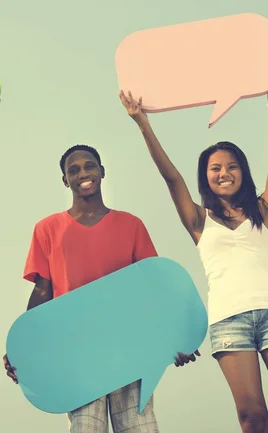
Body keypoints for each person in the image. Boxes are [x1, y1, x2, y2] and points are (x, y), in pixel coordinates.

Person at [119, 64, 268, 433]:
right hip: (229, 322)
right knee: (254, 419)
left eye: (231, 166)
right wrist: (143, 124)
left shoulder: (263, 211)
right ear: (206, 176)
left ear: (242, 171)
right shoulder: (198, 220)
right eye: (215, 168)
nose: (224, 172)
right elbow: (171, 176)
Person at [3, 144, 199, 432]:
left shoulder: (132, 225)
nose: (83, 173)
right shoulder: (47, 229)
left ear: (102, 171)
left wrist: (176, 339)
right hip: (79, 355)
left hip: (130, 351)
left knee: (140, 427)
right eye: (74, 169)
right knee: (85, 427)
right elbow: (43, 294)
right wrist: (24, 349)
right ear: (64, 180)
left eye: (89, 165)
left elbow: (155, 292)